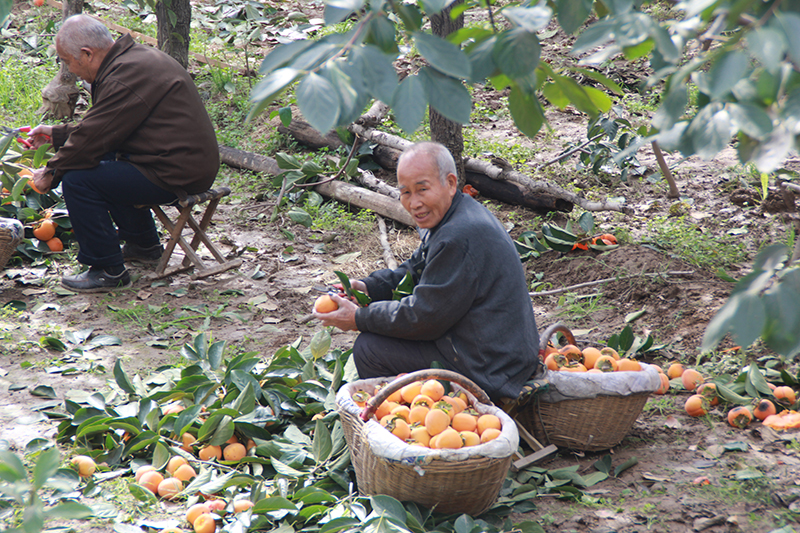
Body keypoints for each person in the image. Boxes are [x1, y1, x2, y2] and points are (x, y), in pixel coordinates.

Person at [314, 142, 540, 402]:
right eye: (406, 192)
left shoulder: (458, 235)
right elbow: (414, 269)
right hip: (498, 354)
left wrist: (359, 318)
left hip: (492, 369)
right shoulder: (455, 214)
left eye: (422, 189)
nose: (414, 203)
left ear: (451, 183)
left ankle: (413, 425)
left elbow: (424, 317)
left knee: (369, 349)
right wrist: (368, 288)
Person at [30, 14, 219, 292]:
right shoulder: (132, 60)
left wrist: (52, 171)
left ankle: (107, 270)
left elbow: (95, 136)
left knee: (78, 181)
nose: (70, 69)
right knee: (102, 160)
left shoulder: (125, 76)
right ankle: (142, 244)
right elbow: (106, 126)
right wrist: (56, 134)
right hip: (177, 162)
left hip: (175, 171)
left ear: (87, 53)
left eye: (69, 61)